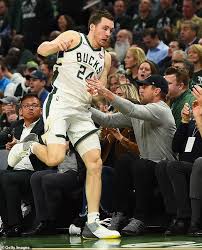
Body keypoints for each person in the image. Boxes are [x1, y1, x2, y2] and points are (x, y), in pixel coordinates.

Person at [7, 9, 120, 239]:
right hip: (59, 103)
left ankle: (94, 222)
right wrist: (55, 46)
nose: (108, 32)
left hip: (81, 111)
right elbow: (42, 49)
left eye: (111, 29)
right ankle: (26, 146)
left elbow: (99, 93)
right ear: (92, 27)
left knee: (95, 162)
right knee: (55, 158)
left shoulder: (105, 57)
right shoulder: (74, 38)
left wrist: (98, 92)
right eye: (105, 28)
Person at [86, 74, 176, 235]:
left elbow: (133, 109)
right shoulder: (139, 114)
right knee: (125, 161)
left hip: (164, 167)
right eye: (140, 86)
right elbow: (107, 120)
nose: (140, 89)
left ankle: (140, 218)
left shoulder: (160, 109)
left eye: (144, 87)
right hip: (146, 165)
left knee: (141, 164)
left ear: (156, 91)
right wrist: (83, 106)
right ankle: (119, 213)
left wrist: (106, 92)